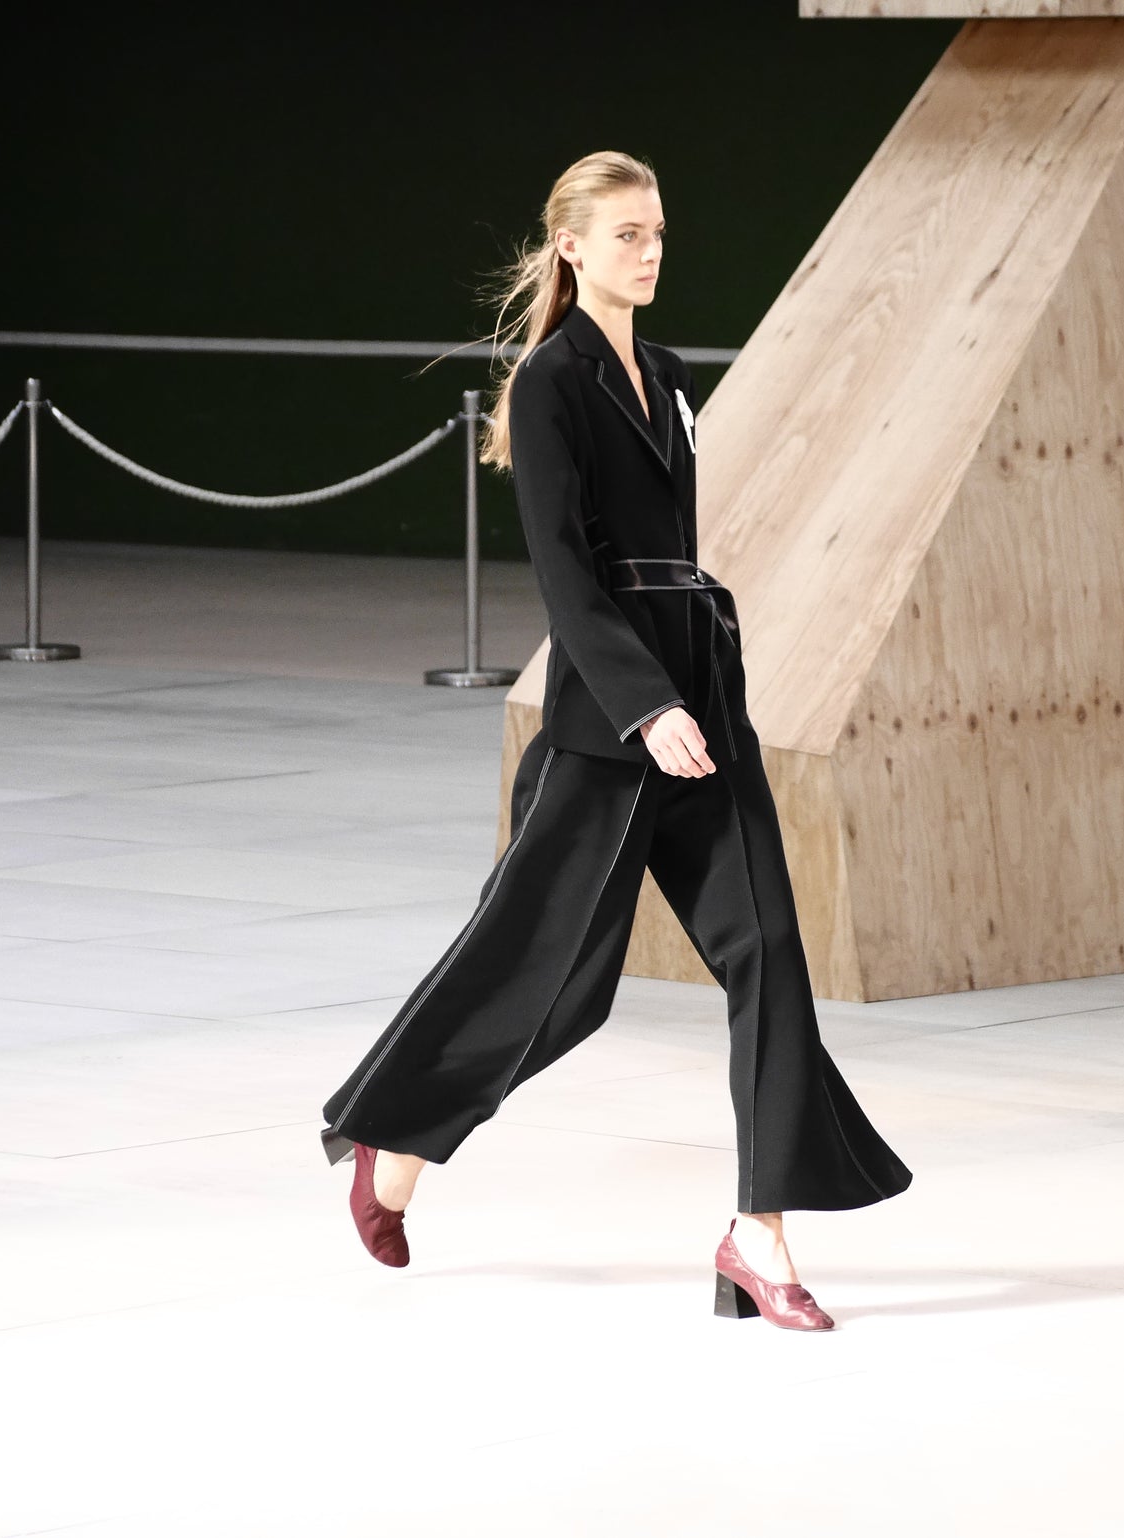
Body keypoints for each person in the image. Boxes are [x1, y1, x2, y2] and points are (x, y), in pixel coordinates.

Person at [318, 150, 910, 1331]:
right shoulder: (548, 382)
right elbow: (565, 571)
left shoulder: (672, 374)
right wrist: (645, 703)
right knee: (548, 981)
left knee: (766, 949)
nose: (648, 252)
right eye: (626, 234)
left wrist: (694, 690)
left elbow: (668, 552)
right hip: (609, 727)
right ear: (571, 246)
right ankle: (395, 1144)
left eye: (656, 233)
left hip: (704, 702)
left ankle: (758, 1234)